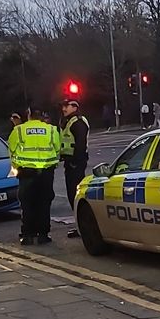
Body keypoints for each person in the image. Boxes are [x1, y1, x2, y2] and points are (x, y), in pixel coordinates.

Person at [9, 105, 60, 246]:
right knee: (44, 203)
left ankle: (28, 235)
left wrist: (16, 166)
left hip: (26, 173)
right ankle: (43, 235)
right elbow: (57, 148)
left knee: (27, 204)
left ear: (29, 114)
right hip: (46, 172)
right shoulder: (51, 130)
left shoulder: (18, 130)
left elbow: (12, 149)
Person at [59, 98, 90, 238]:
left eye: (67, 106)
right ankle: (80, 226)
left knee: (76, 195)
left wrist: (75, 162)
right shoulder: (67, 121)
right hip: (70, 162)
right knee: (72, 195)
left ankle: (83, 227)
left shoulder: (77, 123)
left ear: (75, 107)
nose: (64, 108)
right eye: (63, 106)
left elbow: (80, 144)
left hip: (75, 163)